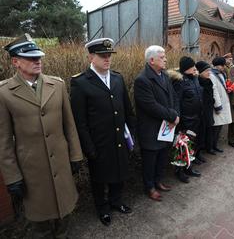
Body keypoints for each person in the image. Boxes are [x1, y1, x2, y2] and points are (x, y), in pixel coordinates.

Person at [0, 34, 83, 239]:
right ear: (15, 62)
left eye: (39, 57)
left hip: (61, 164)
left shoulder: (57, 85)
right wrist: (12, 177)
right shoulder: (4, 92)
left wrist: (75, 156)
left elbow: (69, 125)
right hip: (32, 170)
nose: (37, 61)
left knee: (65, 215)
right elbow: (3, 141)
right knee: (40, 223)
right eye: (30, 58)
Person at [70, 38, 135, 226]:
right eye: (102, 55)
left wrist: (133, 135)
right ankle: (102, 208)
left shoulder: (117, 78)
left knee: (120, 173)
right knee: (99, 180)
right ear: (91, 56)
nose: (107, 59)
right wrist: (89, 148)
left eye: (109, 55)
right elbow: (79, 121)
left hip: (120, 139)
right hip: (99, 143)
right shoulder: (81, 83)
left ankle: (116, 201)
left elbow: (127, 110)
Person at [134, 45, 180, 201]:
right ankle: (149, 187)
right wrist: (172, 116)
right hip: (151, 128)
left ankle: (158, 181)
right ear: (151, 60)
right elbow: (150, 106)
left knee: (162, 157)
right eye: (162, 57)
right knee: (150, 160)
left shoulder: (164, 75)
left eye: (165, 56)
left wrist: (176, 115)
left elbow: (173, 97)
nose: (165, 59)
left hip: (166, 126)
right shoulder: (142, 80)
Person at [168, 56, 202, 183]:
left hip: (196, 119)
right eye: (192, 66)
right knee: (181, 146)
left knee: (191, 145)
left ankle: (188, 167)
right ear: (185, 68)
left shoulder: (194, 79)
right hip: (185, 121)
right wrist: (179, 120)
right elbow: (176, 101)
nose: (194, 68)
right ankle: (179, 171)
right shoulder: (179, 81)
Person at [210, 57, 232, 152]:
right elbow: (214, 91)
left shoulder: (220, 74)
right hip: (217, 105)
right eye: (222, 65)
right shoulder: (212, 75)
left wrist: (227, 88)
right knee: (215, 128)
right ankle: (211, 147)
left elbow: (222, 86)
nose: (223, 67)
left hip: (223, 102)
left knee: (219, 127)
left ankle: (215, 145)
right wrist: (218, 106)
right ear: (217, 65)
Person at [195, 61, 215, 155]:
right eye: (207, 70)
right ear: (200, 72)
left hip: (209, 110)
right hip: (202, 112)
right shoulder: (198, 82)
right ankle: (198, 153)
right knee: (201, 133)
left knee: (209, 129)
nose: (209, 72)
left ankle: (207, 148)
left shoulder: (208, 81)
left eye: (209, 70)